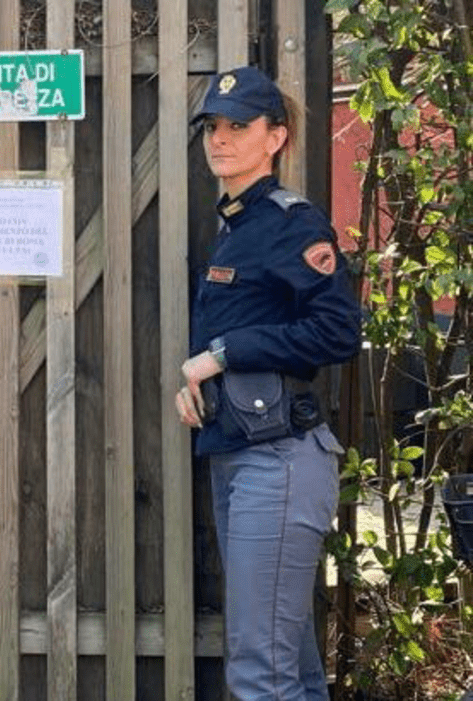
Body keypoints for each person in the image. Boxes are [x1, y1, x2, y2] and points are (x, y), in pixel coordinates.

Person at [174, 66, 362, 700]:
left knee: (262, 673)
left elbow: (338, 332)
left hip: (279, 460)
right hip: (242, 452)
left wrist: (224, 354)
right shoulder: (237, 228)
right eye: (213, 127)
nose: (220, 140)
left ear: (275, 138)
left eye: (239, 127)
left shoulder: (292, 224)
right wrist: (200, 380)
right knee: (291, 672)